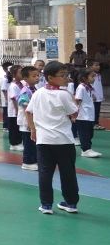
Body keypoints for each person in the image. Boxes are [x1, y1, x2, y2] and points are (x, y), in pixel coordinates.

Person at [25, 61, 80, 214]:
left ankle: (46, 205)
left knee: (45, 173)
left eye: (66, 75)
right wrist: (73, 99)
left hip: (44, 141)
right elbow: (74, 114)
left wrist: (33, 129)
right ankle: (71, 203)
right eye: (62, 75)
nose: (66, 78)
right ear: (50, 77)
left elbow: (28, 111)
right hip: (63, 140)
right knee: (68, 173)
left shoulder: (38, 93)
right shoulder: (64, 94)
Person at [74, 68, 100, 158]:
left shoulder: (88, 88)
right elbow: (77, 100)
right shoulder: (81, 88)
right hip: (83, 116)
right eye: (92, 76)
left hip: (89, 115)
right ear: (84, 78)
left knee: (89, 133)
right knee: (84, 134)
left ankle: (88, 148)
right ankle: (85, 150)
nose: (94, 78)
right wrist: (74, 114)